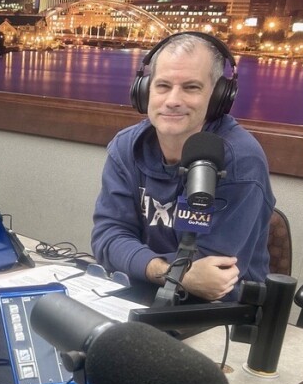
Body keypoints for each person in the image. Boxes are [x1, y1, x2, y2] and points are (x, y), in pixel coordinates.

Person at [91, 32, 275, 302]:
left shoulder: (240, 160)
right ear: (145, 90)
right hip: (143, 291)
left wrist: (136, 260)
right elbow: (107, 239)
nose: (173, 100)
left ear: (217, 97)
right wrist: (171, 273)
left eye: (191, 87)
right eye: (163, 86)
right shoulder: (127, 146)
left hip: (221, 312)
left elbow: (213, 274)